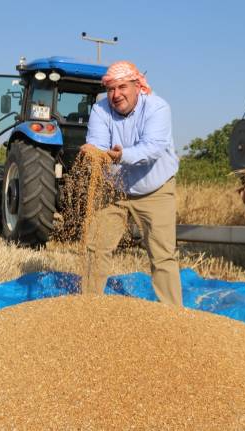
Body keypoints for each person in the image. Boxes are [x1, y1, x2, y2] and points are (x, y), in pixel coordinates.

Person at [79, 61, 182, 306]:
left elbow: (153, 148)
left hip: (155, 188)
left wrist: (120, 155)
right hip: (115, 189)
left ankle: (173, 317)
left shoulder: (157, 108)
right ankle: (87, 308)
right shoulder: (100, 110)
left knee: (163, 254)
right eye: (111, 89)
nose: (116, 95)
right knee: (96, 247)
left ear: (137, 86)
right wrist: (94, 152)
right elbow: (98, 144)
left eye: (122, 87)